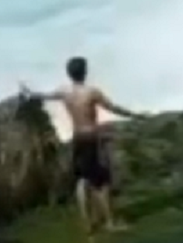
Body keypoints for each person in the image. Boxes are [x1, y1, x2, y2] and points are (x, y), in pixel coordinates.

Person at [20, 56, 147, 233]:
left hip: (77, 138)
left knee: (82, 180)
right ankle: (110, 223)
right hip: (91, 140)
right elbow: (113, 108)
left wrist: (28, 92)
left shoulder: (64, 91)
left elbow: (43, 96)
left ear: (69, 73)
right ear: (85, 72)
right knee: (102, 182)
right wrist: (136, 115)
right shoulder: (92, 92)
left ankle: (87, 224)